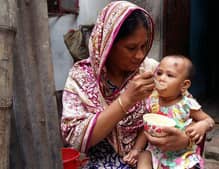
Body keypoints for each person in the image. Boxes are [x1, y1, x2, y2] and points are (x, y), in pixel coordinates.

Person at [61, 1, 209, 168]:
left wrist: (185, 139)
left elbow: (188, 110)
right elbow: (76, 138)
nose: (140, 55)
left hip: (154, 154)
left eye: (144, 46)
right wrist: (126, 100)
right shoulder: (82, 78)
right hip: (105, 161)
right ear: (108, 45)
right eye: (131, 48)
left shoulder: (152, 70)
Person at [123, 55, 215, 169]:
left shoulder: (186, 104)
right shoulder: (152, 101)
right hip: (156, 153)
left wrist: (203, 125)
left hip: (180, 155)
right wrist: (137, 149)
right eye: (159, 73)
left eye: (169, 75)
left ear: (184, 85)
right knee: (144, 156)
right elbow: (145, 129)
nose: (161, 78)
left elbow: (209, 120)